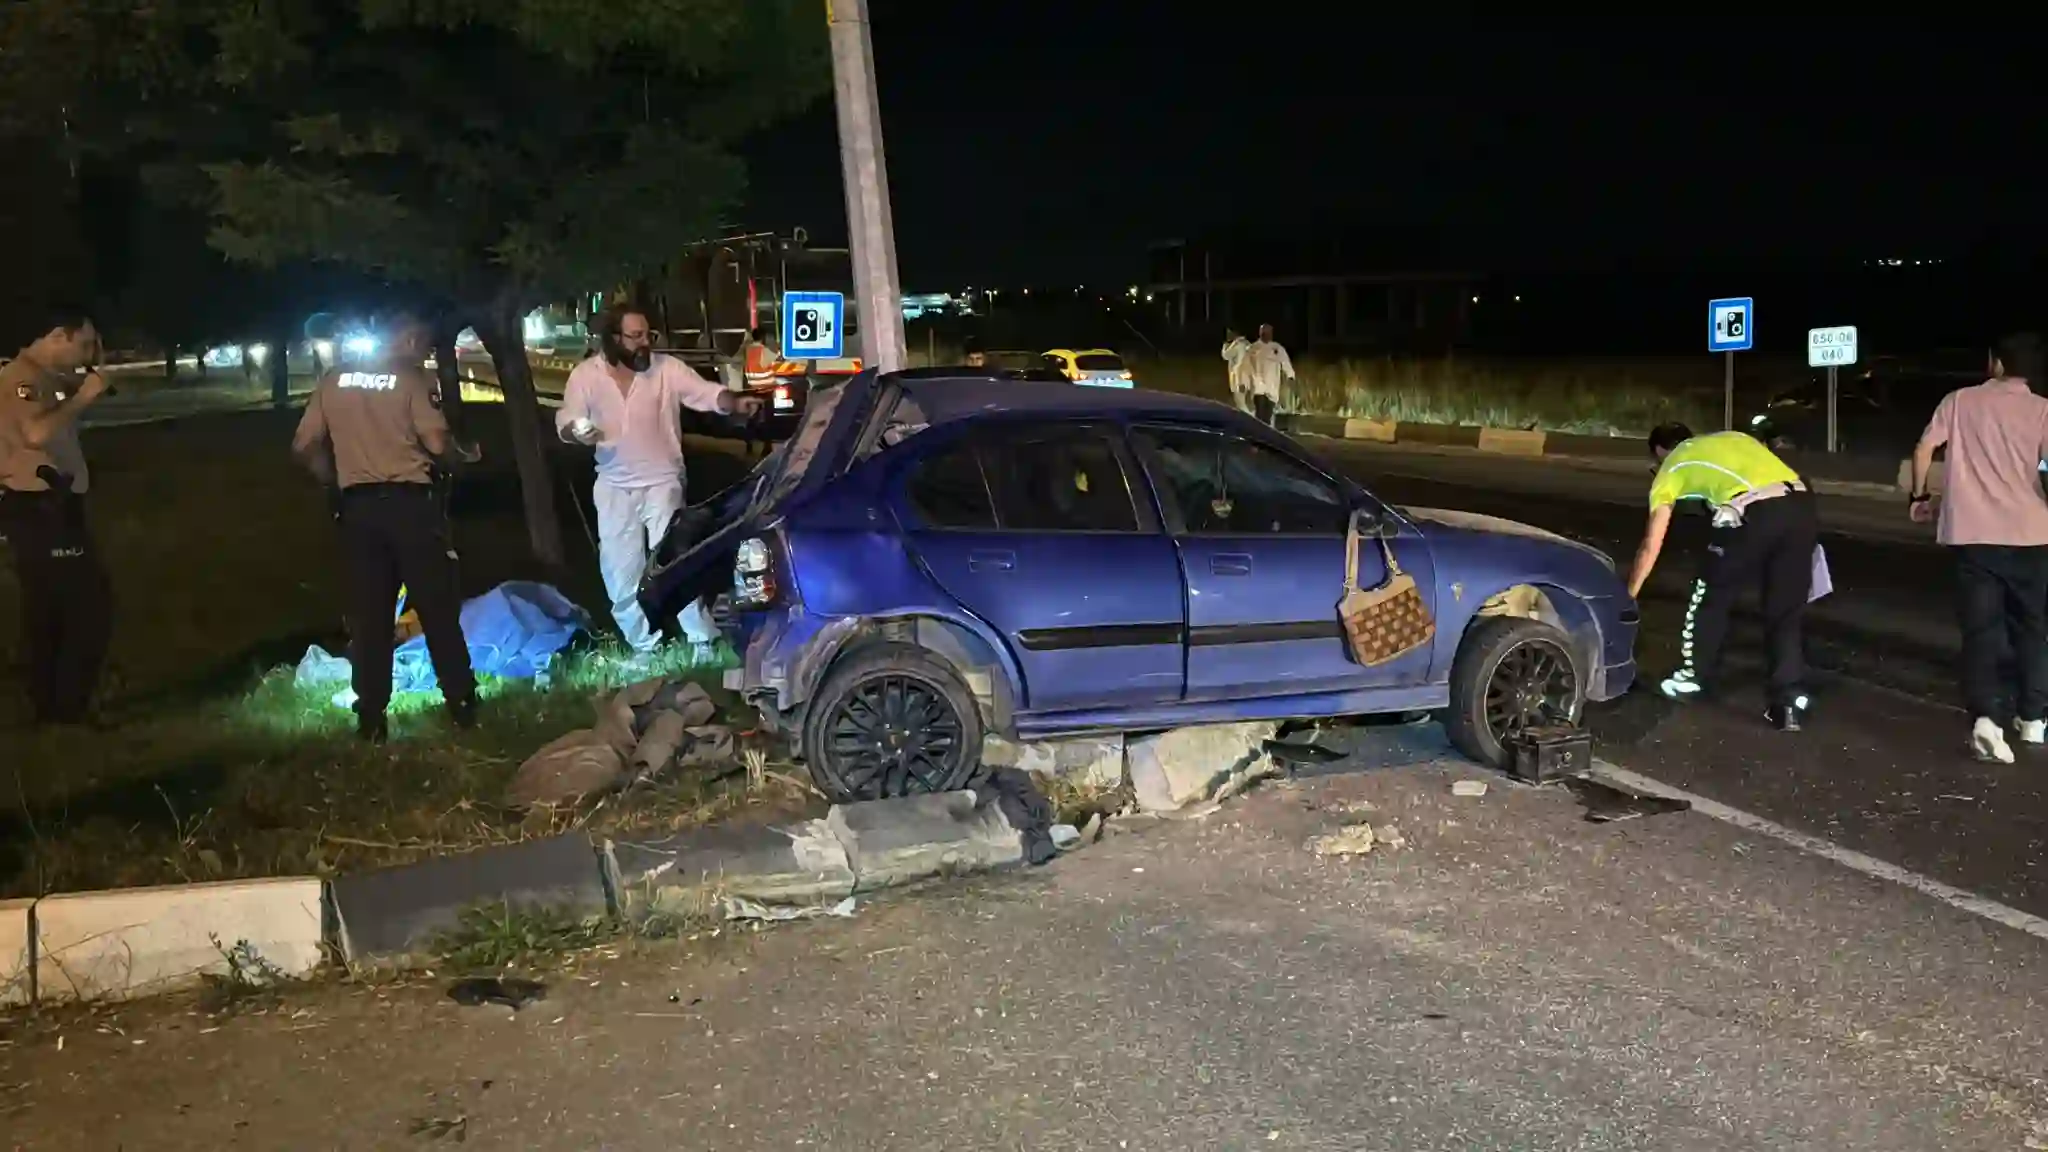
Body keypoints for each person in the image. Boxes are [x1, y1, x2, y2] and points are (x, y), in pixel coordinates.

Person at [291, 312, 480, 743]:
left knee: (370, 617)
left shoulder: (334, 380)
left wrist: (332, 480)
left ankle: (372, 716)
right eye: (427, 345)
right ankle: (462, 702)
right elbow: (435, 443)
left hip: (357, 513)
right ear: (411, 339)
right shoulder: (412, 380)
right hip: (411, 508)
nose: (428, 353)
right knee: (436, 608)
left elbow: (303, 445)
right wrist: (462, 455)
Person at [557, 303, 761, 661]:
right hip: (614, 486)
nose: (644, 344)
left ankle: (702, 641)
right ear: (613, 338)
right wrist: (577, 431)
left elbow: (707, 394)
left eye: (647, 335)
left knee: (675, 563)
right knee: (620, 571)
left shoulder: (666, 369)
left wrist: (735, 402)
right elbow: (567, 419)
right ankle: (644, 647)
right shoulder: (586, 376)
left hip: (662, 481)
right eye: (635, 337)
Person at [1909, 333, 2048, 763]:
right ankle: (2033, 719)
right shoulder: (2042, 409)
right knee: (2032, 627)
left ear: (1997, 363)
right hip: (2032, 532)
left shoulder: (1959, 401)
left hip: (1973, 535)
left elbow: (1924, 448)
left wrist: (1919, 497)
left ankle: (1987, 719)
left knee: (1982, 630)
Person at [1627, 422, 1817, 731]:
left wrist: (1629, 594)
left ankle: (1692, 679)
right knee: (1785, 610)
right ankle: (1788, 701)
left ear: (1661, 453)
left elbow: (1651, 545)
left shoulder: (1671, 468)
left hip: (1753, 511)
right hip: (1802, 505)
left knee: (1710, 595)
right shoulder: (1734, 437)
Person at [0, 307, 114, 726]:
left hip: (51, 506)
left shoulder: (45, 380)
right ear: (56, 336)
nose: (89, 353)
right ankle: (66, 708)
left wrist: (79, 389)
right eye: (84, 343)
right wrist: (84, 396)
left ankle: (49, 708)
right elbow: (35, 433)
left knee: (48, 609)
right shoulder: (22, 381)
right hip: (40, 507)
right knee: (89, 607)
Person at [1239, 323, 1295, 426]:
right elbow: (1245, 368)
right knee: (1260, 414)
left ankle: (1266, 437)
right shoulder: (1253, 348)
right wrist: (1243, 383)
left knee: (1268, 415)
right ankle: (1259, 436)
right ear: (1260, 333)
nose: (1267, 335)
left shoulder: (1277, 348)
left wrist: (1290, 376)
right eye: (1264, 333)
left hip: (1272, 387)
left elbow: (1285, 362)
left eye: (1269, 333)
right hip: (1258, 387)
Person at [1221, 328, 1252, 412]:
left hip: (1238, 379)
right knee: (1246, 403)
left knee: (1241, 405)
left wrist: (1225, 345)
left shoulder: (1237, 344)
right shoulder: (1248, 344)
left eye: (1229, 333)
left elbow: (1225, 355)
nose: (1227, 335)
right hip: (1248, 378)